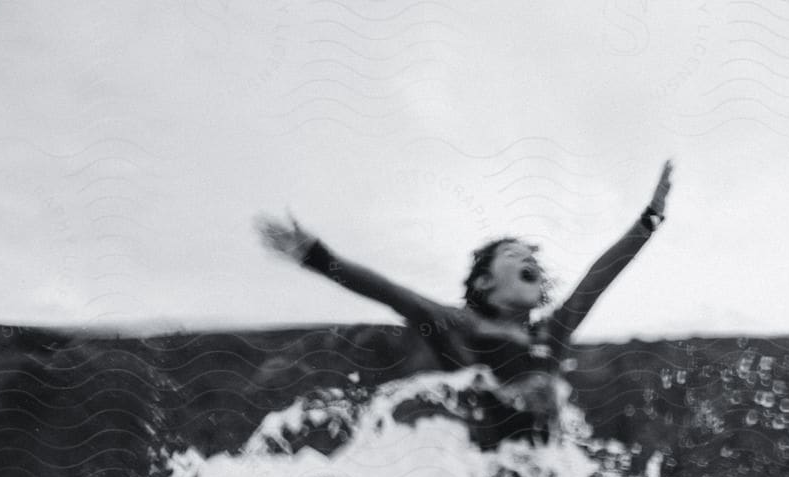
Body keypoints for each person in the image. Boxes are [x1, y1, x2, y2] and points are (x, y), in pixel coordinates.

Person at [255, 161, 673, 450]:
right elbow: (392, 293)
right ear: (484, 281)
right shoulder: (459, 328)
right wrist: (316, 256)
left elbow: (598, 278)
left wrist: (650, 218)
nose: (528, 260)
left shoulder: (550, 333)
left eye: (532, 260)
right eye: (512, 255)